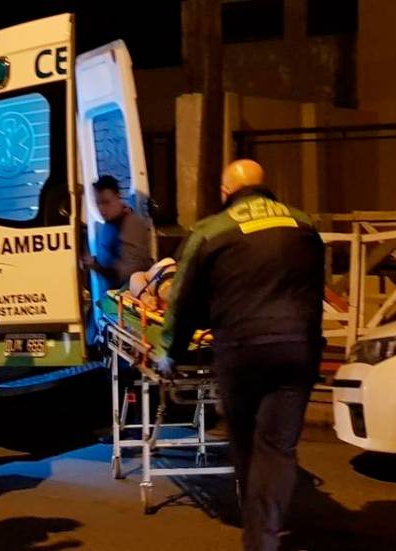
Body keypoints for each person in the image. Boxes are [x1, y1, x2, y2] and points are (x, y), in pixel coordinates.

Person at [158, 159, 325, 551]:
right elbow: (317, 289)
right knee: (278, 447)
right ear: (264, 188)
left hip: (242, 350)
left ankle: (259, 532)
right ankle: (263, 530)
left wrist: (172, 350)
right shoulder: (304, 225)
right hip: (298, 348)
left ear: (225, 193)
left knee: (248, 442)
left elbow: (182, 299)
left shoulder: (212, 231)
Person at [81, 175, 153, 291]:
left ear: (117, 197)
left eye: (106, 202)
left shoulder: (132, 225)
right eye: (98, 203)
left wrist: (97, 266)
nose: (102, 209)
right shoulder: (108, 225)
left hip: (130, 297)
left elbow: (131, 272)